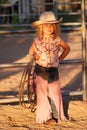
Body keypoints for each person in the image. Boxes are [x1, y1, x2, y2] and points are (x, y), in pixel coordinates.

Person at [21, 11, 70, 124]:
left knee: (55, 92)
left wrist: (60, 59)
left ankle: (57, 115)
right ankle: (46, 117)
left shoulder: (57, 39)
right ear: (41, 27)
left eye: (52, 25)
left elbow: (67, 48)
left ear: (55, 27)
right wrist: (35, 55)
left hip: (53, 70)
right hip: (41, 69)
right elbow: (31, 51)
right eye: (46, 25)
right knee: (42, 93)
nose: (49, 27)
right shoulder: (37, 41)